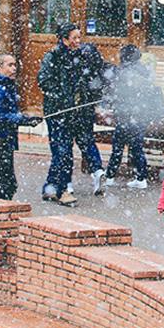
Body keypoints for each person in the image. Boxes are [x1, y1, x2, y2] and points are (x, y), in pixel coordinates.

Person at [39, 24, 105, 205]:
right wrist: (63, 100)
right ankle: (63, 190)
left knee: (63, 151)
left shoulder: (81, 57)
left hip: (76, 113)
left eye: (79, 37)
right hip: (58, 112)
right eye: (74, 38)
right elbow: (44, 82)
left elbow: (87, 81)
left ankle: (50, 187)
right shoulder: (52, 57)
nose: (78, 41)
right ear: (64, 39)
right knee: (63, 152)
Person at [103, 45, 164, 189]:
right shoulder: (144, 72)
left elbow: (113, 94)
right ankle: (141, 178)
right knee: (136, 147)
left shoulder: (122, 73)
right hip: (140, 116)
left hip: (125, 116)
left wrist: (111, 103)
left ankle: (109, 176)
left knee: (118, 147)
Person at [0, 53, 41, 199]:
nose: (14, 69)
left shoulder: (6, 88)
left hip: (4, 141)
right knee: (4, 184)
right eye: (10, 65)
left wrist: (25, 119)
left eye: (15, 65)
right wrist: (22, 119)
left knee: (0, 182)